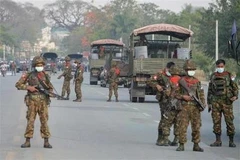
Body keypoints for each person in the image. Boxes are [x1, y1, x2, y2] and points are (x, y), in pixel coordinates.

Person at [15, 56, 53, 148]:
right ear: (34, 66)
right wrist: (29, 87)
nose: (39, 66)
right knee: (30, 121)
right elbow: (18, 84)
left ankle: (46, 141)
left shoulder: (46, 75)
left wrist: (50, 93)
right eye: (37, 65)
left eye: (41, 65)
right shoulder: (29, 74)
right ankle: (27, 140)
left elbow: (50, 87)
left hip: (43, 102)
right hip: (32, 101)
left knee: (44, 121)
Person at [207, 59, 239, 147]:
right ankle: (218, 140)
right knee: (216, 121)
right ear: (216, 67)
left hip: (227, 102)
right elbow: (210, 90)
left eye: (221, 66)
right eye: (218, 66)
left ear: (224, 66)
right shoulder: (213, 76)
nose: (220, 68)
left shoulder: (229, 75)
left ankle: (231, 141)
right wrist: (209, 103)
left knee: (229, 121)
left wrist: (235, 96)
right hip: (215, 102)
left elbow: (235, 87)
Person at [176, 60, 205, 152]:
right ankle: (181, 144)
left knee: (196, 126)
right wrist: (183, 96)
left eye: (192, 69)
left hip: (195, 107)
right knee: (182, 126)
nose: (191, 71)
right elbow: (174, 94)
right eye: (189, 69)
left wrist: (203, 104)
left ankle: (196, 144)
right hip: (184, 107)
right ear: (185, 70)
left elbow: (201, 94)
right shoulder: (181, 81)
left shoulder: (197, 81)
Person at [147, 62, 176, 146]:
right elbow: (149, 81)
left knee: (170, 119)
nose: (171, 71)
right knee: (164, 118)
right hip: (163, 99)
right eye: (169, 69)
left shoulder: (174, 75)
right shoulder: (160, 74)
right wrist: (157, 85)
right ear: (167, 68)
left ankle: (166, 138)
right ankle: (160, 138)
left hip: (172, 99)